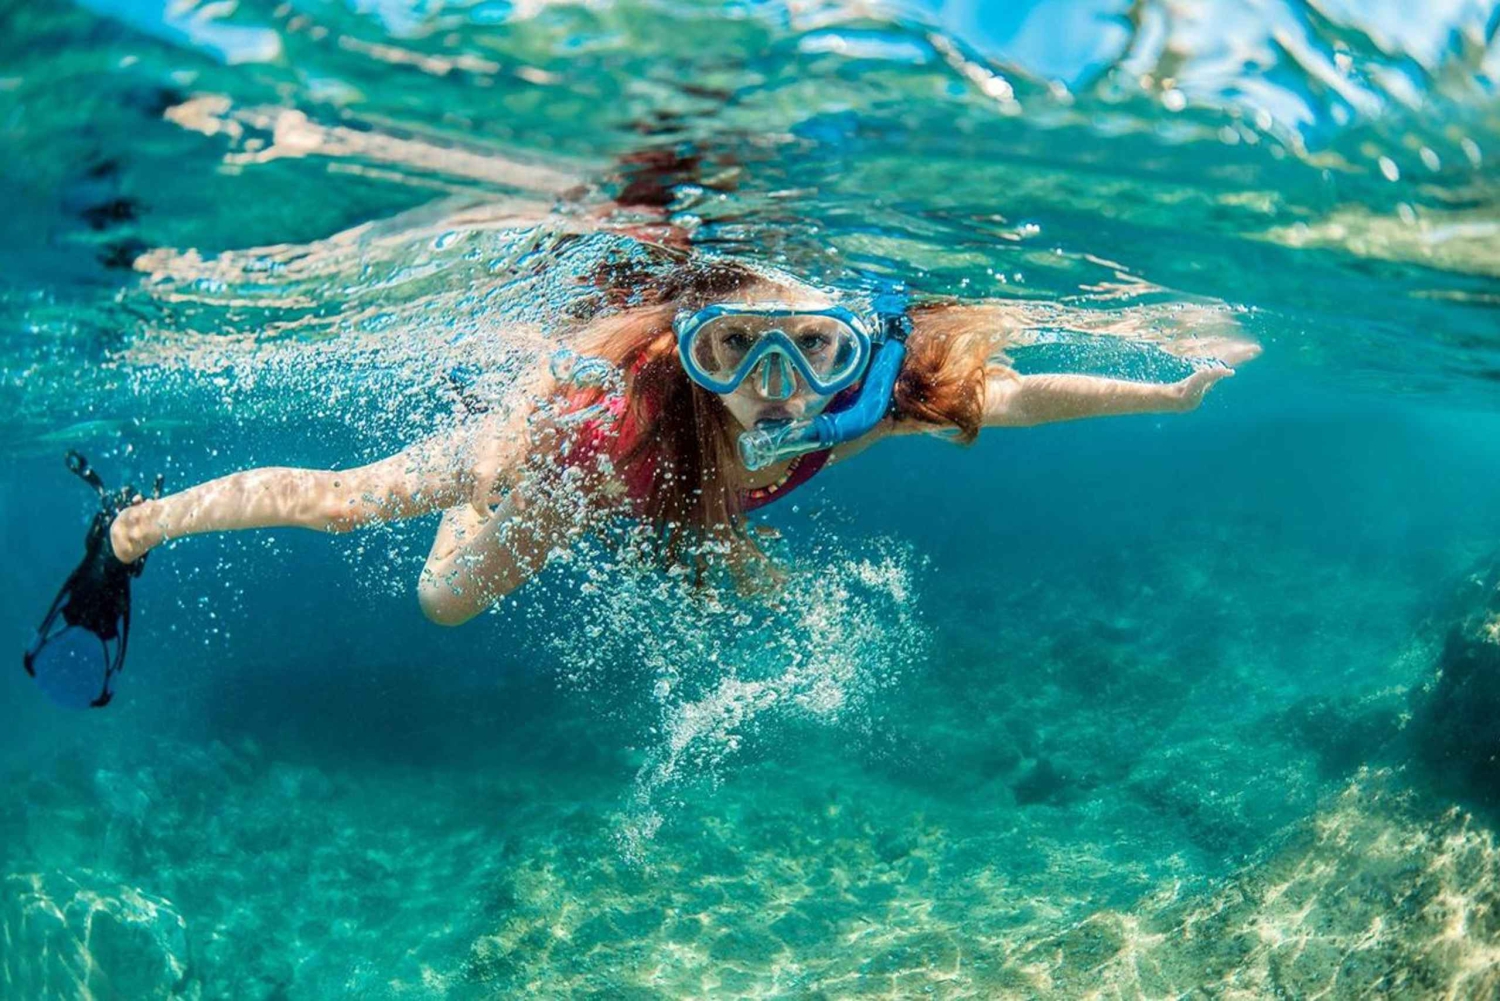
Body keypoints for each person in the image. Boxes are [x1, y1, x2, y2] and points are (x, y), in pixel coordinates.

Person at [100, 250, 1258, 630]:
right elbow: (532, 426)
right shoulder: (622, 396)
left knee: (450, 604)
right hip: (567, 468)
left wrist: (1166, 397)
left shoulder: (861, 407)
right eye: (736, 349)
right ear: (691, 344)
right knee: (407, 558)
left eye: (810, 347)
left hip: (649, 496)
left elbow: (1008, 397)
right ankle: (135, 522)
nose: (771, 387)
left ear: (855, 348)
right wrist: (505, 450)